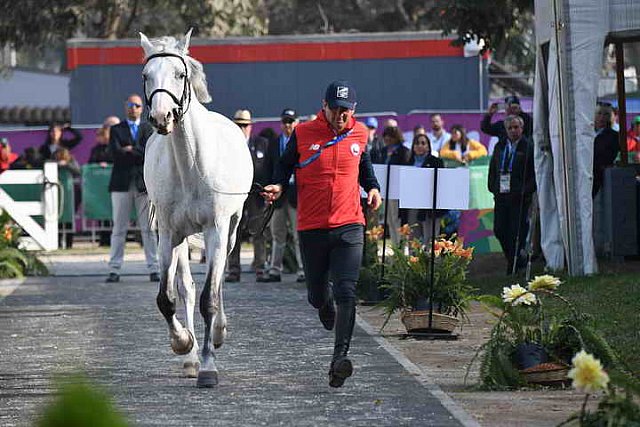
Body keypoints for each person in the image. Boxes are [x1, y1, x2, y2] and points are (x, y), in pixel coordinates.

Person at [261, 80, 381, 388]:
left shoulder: (359, 133)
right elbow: (284, 167)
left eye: (347, 110)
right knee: (317, 295)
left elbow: (364, 167)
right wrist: (277, 184)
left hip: (349, 224)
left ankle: (339, 359)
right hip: (312, 226)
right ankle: (323, 305)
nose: (341, 116)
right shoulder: (303, 133)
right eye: (336, 109)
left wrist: (373, 188)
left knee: (347, 291)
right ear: (324, 106)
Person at [105, 94, 159, 283]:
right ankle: (114, 269)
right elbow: (114, 153)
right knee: (119, 229)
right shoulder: (116, 129)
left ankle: (154, 268)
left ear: (142, 108)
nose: (132, 108)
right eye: (129, 104)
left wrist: (130, 150)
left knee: (149, 228)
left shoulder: (148, 129)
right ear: (125, 106)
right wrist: (134, 152)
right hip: (121, 184)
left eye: (136, 105)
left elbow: (149, 153)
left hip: (143, 185)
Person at [260, 108, 305, 283]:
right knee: (277, 234)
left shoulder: (301, 143)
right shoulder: (274, 143)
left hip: (295, 195)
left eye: (291, 121)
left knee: (297, 234)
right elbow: (267, 169)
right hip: (278, 197)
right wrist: (266, 190)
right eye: (285, 122)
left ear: (297, 123)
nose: (288, 125)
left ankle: (302, 269)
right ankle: (275, 269)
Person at [225, 109, 270, 282]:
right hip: (235, 192)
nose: (242, 129)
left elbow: (266, 167)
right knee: (233, 230)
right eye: (239, 125)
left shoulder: (261, 143)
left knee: (258, 230)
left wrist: (267, 188)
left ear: (251, 127)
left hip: (256, 192)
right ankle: (233, 268)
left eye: (245, 125)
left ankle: (260, 266)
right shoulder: (228, 145)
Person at [488, 115, 536, 275]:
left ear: (522, 129)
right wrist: (493, 186)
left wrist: (525, 190)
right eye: (510, 128)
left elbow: (534, 173)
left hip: (519, 197)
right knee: (500, 229)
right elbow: (493, 167)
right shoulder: (500, 146)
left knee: (517, 231)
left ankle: (514, 264)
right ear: (506, 130)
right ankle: (514, 259)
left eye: (516, 127)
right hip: (501, 195)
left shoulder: (528, 146)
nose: (514, 130)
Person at [370, 125, 411, 245]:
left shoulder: (404, 151)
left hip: (398, 192)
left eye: (390, 136)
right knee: (390, 220)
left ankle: (401, 247)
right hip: (386, 190)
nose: (387, 138)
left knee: (397, 220)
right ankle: (395, 246)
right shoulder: (383, 151)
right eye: (386, 136)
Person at [404, 134, 445, 243]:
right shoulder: (408, 162)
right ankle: (414, 259)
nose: (419, 146)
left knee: (430, 240)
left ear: (428, 146)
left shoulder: (436, 162)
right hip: (412, 204)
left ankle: (430, 259)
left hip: (430, 206)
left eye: (423, 143)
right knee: (413, 239)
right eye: (417, 143)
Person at [592, 103, 619, 197]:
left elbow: (609, 157)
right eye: (599, 113)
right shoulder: (585, 133)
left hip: (600, 179)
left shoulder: (614, 136)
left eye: (606, 114)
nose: (602, 117)